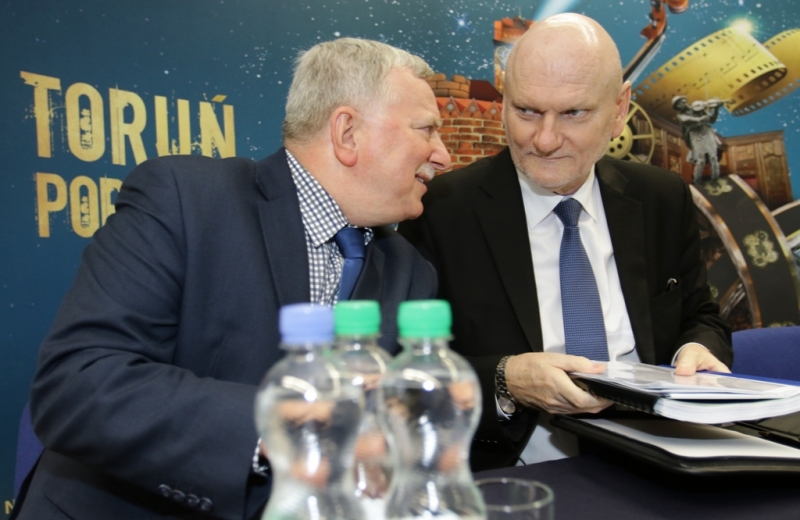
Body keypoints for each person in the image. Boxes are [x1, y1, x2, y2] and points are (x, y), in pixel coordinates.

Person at [13, 38, 450, 520]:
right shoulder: (185, 200)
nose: (443, 156)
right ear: (347, 132)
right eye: (427, 129)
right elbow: (77, 385)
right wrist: (277, 424)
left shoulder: (411, 272)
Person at [398, 13, 732, 472]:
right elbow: (406, 372)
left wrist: (697, 352)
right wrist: (506, 380)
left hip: (657, 465)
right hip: (512, 475)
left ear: (619, 110)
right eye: (526, 111)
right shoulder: (441, 210)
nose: (545, 140)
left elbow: (700, 317)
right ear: (504, 102)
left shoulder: (661, 197)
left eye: (574, 113)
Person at [672, 95, 723, 183]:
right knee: (700, 160)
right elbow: (695, 120)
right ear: (678, 107)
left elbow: (712, 120)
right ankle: (697, 181)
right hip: (695, 134)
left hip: (706, 131)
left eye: (683, 101)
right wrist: (704, 116)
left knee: (713, 157)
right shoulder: (681, 116)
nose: (682, 103)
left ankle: (715, 179)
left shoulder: (698, 107)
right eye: (679, 103)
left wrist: (716, 109)